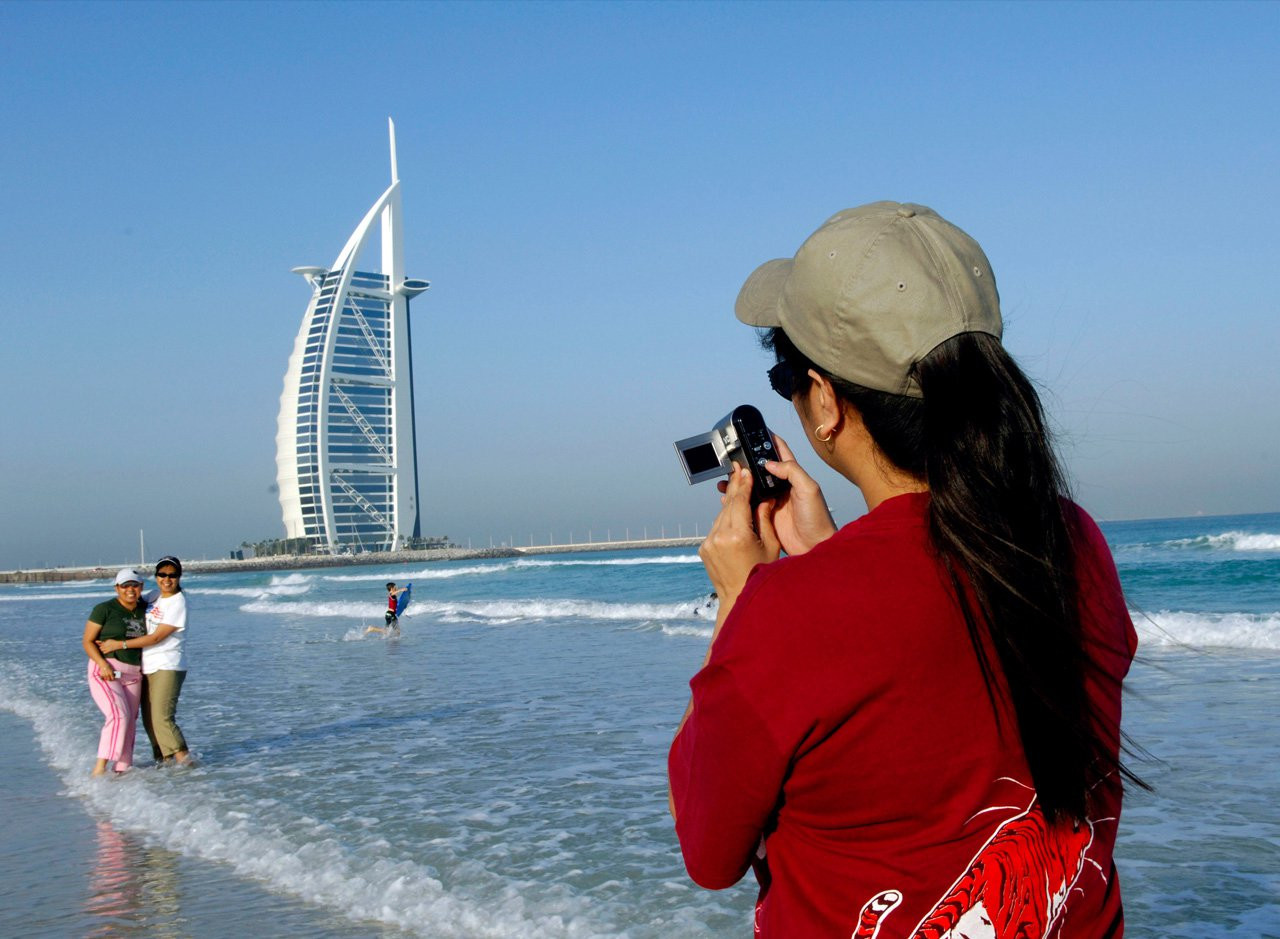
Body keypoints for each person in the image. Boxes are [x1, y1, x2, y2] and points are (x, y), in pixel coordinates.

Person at [667, 202, 1142, 938]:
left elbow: (708, 846)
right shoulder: (1072, 538)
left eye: (787, 379)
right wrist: (827, 560)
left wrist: (739, 599)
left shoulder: (787, 614)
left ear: (826, 401)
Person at [98, 556, 191, 765]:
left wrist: (119, 644)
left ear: (179, 577)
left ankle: (187, 765)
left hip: (168, 665)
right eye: (162, 574)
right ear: (156, 576)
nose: (167, 579)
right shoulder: (155, 596)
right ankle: (165, 764)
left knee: (162, 718)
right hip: (146, 666)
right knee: (149, 721)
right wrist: (104, 625)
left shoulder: (178, 602)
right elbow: (130, 602)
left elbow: (156, 637)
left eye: (172, 575)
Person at [82, 569, 148, 775]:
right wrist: (102, 664)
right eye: (125, 586)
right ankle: (99, 770)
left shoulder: (146, 608)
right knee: (119, 715)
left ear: (141, 587)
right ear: (117, 588)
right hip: (106, 670)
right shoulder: (104, 609)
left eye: (134, 585)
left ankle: (121, 770)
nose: (130, 590)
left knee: (130, 722)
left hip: (133, 674)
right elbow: (87, 641)